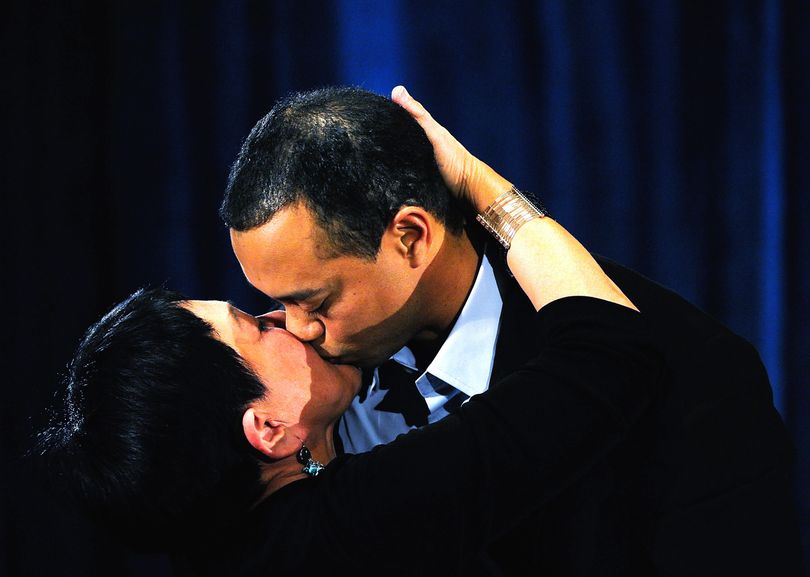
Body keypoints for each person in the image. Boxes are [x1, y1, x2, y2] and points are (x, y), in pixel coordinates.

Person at [220, 86, 801, 575]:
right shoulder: (302, 409)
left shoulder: (693, 371)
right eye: (271, 305)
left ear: (411, 237)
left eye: (315, 301)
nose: (296, 329)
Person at [38, 169, 658, 577]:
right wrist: (483, 190)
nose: (289, 322)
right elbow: (610, 354)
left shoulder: (217, 536)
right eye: (255, 328)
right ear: (269, 429)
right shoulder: (358, 525)